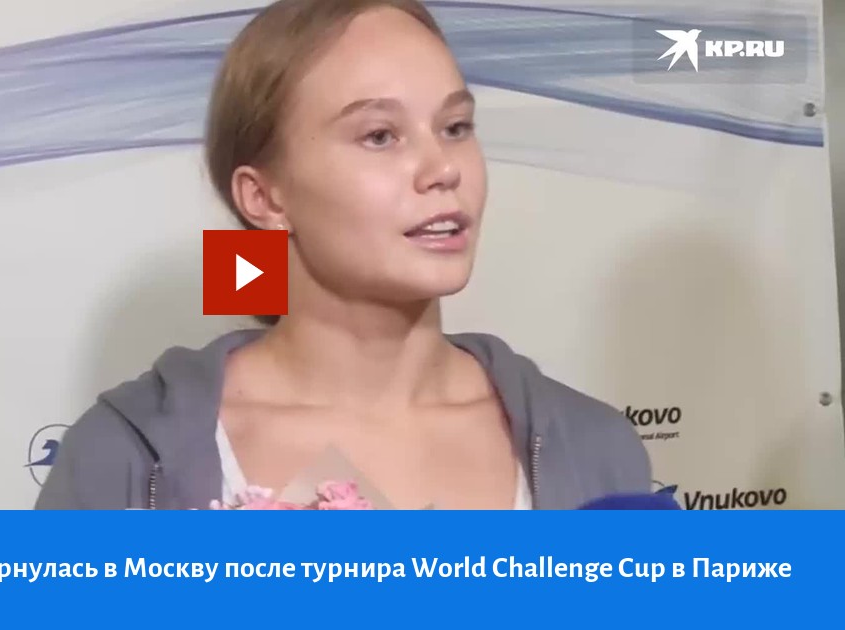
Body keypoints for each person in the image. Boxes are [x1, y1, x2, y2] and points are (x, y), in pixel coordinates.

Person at [35, 0, 651, 510]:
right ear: (264, 197)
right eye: (380, 136)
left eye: (456, 127)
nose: (443, 168)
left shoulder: (595, 447)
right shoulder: (122, 458)